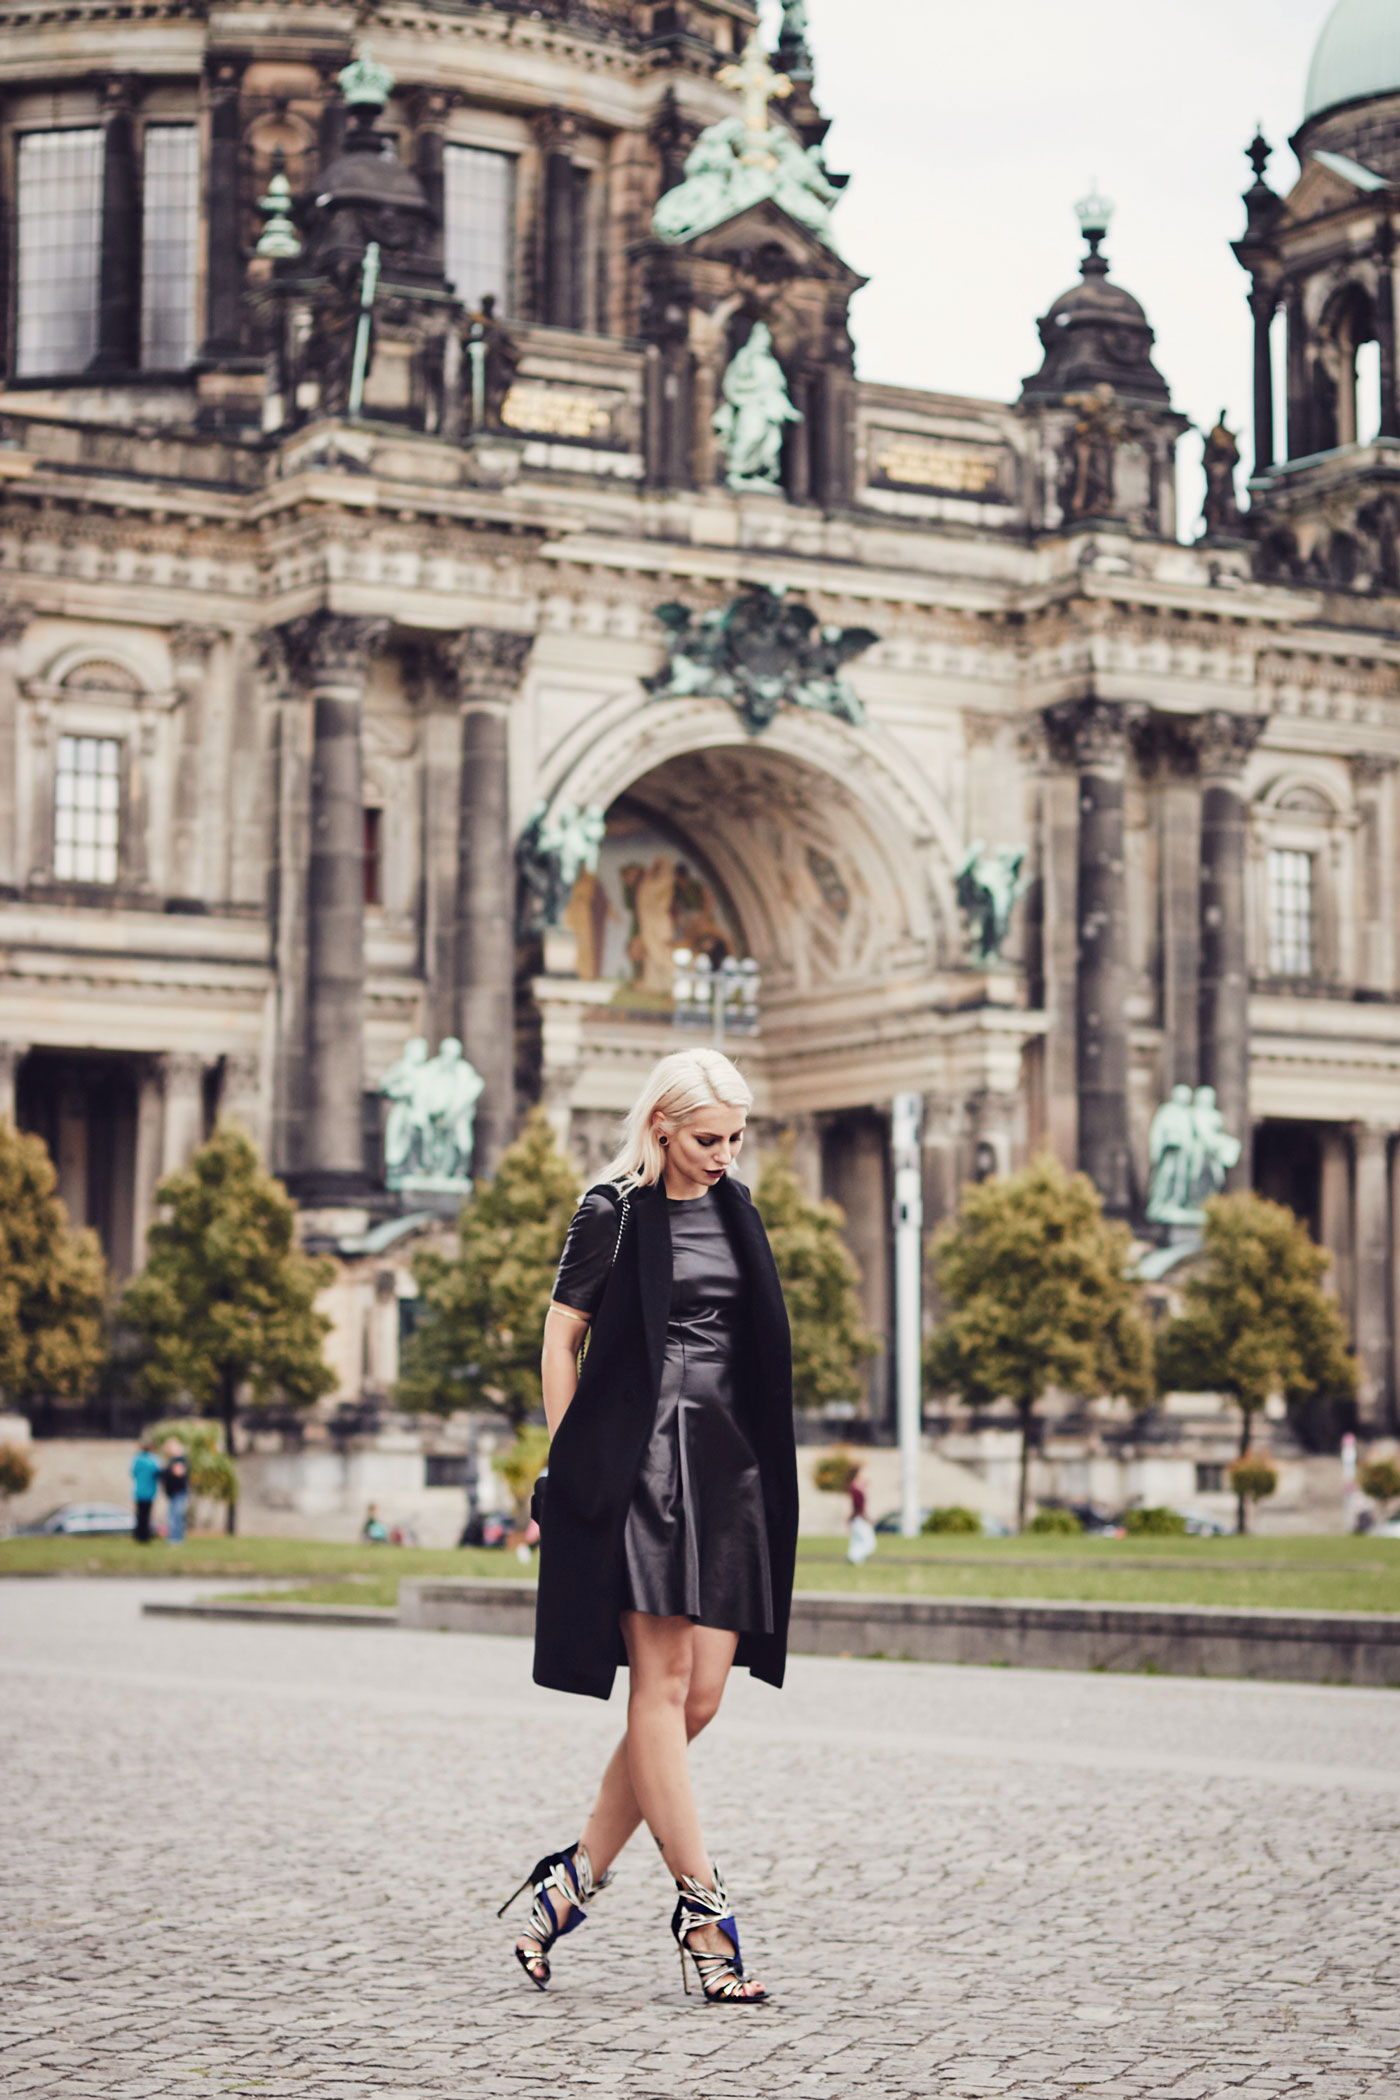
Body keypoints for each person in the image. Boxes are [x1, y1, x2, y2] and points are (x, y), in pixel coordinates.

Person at [501, 1048, 797, 2006]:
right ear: (662, 1127)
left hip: (727, 1466)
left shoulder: (738, 1210)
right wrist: (569, 1456)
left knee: (699, 1698)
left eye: (735, 1139)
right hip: (643, 1463)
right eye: (709, 1138)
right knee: (661, 1688)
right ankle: (705, 1916)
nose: (723, 1155)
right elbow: (562, 1337)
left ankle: (569, 1882)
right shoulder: (611, 1211)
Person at [161, 1438, 191, 1546]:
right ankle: (175, 1536)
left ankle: (176, 1538)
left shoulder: (180, 1460)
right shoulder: (173, 1460)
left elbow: (178, 1473)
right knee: (174, 1514)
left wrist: (167, 1471)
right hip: (173, 1492)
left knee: (176, 1515)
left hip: (179, 1492)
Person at [130, 1440, 161, 1544]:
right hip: (150, 1492)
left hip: (139, 1491)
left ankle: (139, 1535)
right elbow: (158, 1472)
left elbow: (133, 1473)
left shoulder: (138, 1459)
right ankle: (145, 1535)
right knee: (147, 1515)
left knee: (139, 1514)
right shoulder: (153, 1460)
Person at [847, 1464, 876, 1566]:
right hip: (859, 1519)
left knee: (857, 1542)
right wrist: (868, 1518)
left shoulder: (858, 1487)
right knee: (869, 1543)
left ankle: (856, 1561)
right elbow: (859, 1506)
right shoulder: (856, 1489)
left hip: (857, 1519)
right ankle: (853, 1558)